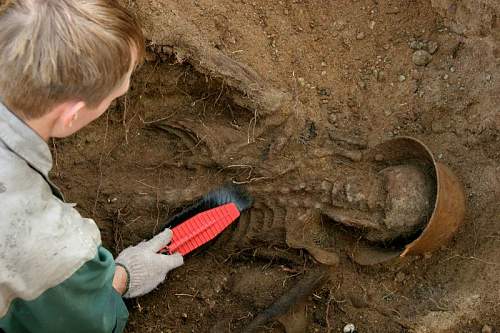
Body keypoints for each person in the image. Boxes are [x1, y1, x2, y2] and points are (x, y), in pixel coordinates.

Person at [0, 1, 184, 332]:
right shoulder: (49, 244)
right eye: (115, 96)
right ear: (72, 114)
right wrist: (122, 277)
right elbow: (82, 322)